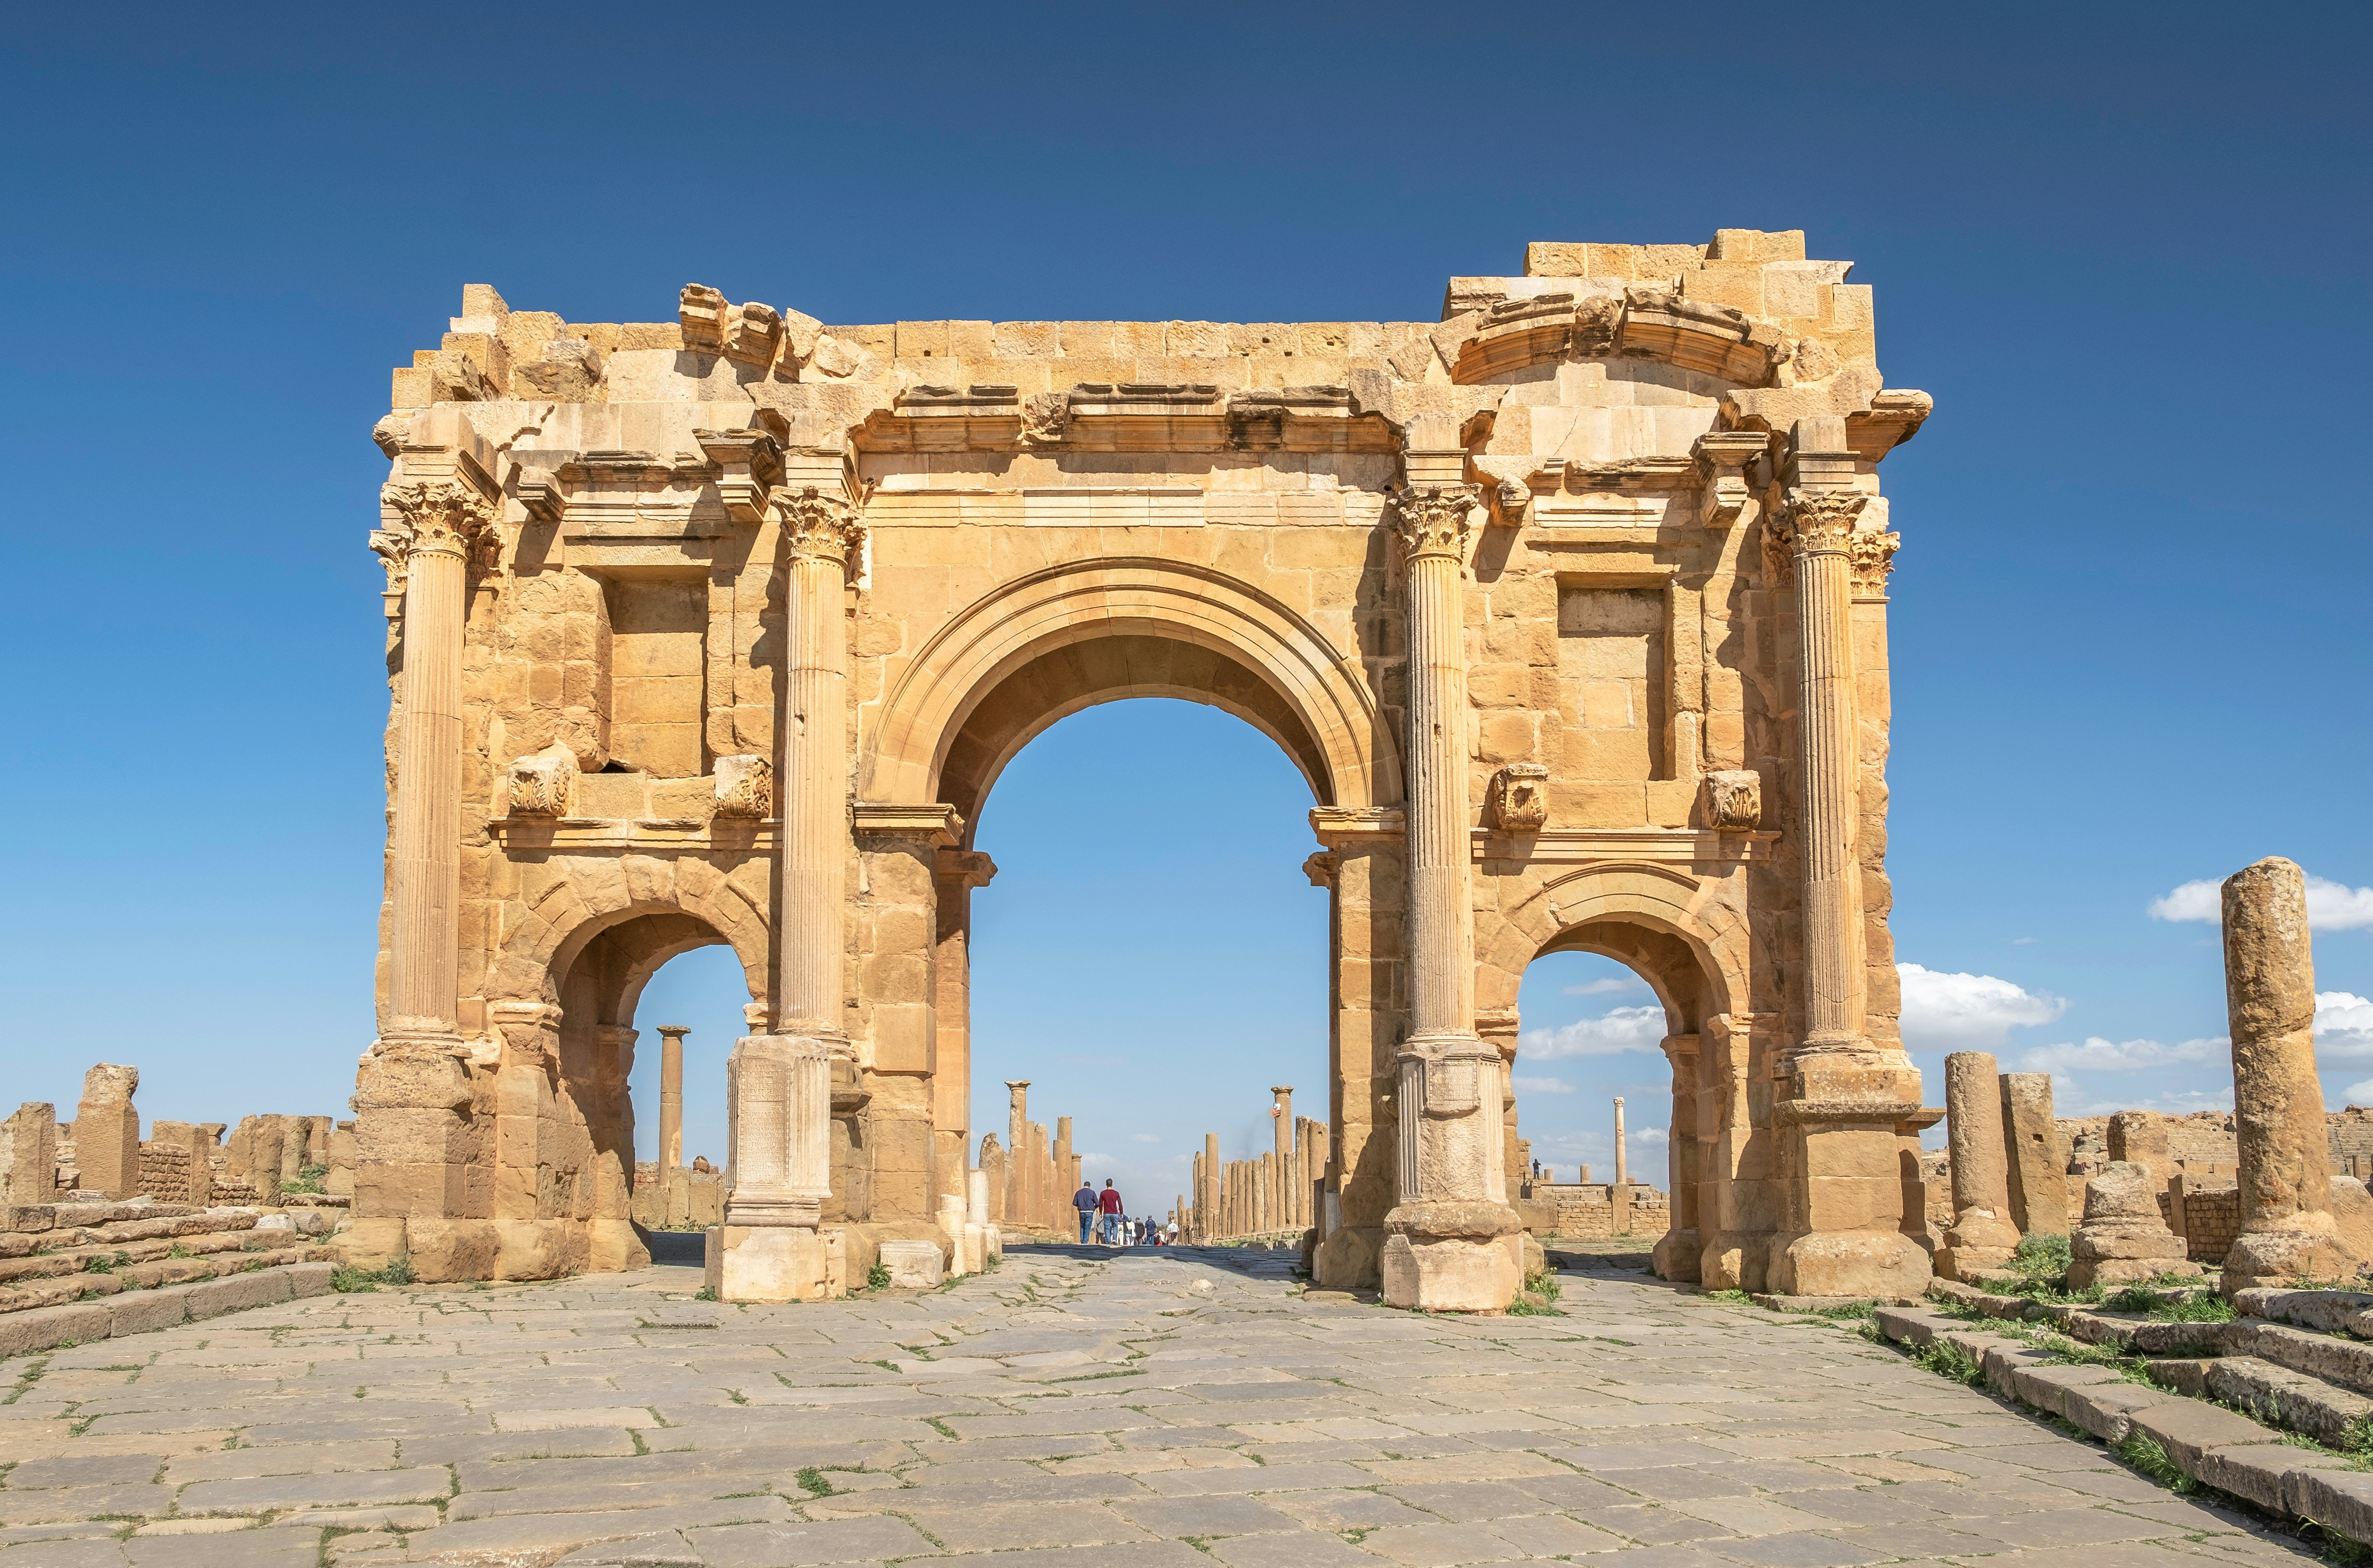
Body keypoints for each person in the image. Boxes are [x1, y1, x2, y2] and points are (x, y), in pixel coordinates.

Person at [1096, 1178, 1125, 1245]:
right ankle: (1114, 1239)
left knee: (1107, 1227)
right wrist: (1121, 1212)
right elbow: (1120, 1203)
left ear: (1106, 1184)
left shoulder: (1103, 1193)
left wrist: (1101, 1212)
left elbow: (1101, 1204)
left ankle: (1109, 1241)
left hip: (1107, 1213)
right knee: (1115, 1226)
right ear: (1112, 1184)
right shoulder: (1116, 1193)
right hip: (1114, 1213)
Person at [1071, 1178, 1098, 1244]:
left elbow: (1074, 1203)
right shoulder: (1092, 1192)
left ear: (1084, 1185)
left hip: (1082, 1212)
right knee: (1088, 1227)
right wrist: (1094, 1208)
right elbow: (1098, 1203)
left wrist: (1080, 1206)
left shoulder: (1079, 1192)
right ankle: (1085, 1242)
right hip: (1090, 1212)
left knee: (1082, 1226)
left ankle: (1082, 1240)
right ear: (1089, 1186)